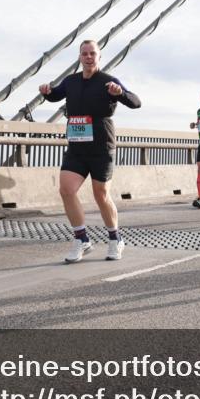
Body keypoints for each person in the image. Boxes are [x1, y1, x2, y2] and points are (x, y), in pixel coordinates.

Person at [39, 39, 141, 263]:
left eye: (92, 53)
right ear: (79, 57)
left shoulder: (108, 81)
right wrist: (46, 91)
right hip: (76, 146)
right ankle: (82, 239)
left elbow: (136, 102)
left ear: (98, 57)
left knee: (101, 194)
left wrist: (119, 93)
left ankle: (115, 239)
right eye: (84, 53)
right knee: (66, 190)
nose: (88, 57)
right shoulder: (72, 81)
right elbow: (56, 94)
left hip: (101, 146)